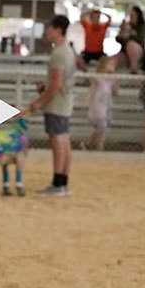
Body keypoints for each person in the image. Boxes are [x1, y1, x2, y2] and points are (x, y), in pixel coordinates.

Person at [26, 15, 75, 195]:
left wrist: (40, 101)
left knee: (58, 141)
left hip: (56, 104)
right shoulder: (67, 51)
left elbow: (56, 83)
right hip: (64, 102)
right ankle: (63, 181)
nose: (46, 31)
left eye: (49, 28)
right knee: (64, 140)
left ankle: (57, 183)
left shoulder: (59, 53)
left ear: (58, 30)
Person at [85, 53, 120, 151]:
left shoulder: (112, 78)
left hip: (106, 103)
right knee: (102, 125)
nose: (112, 67)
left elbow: (116, 91)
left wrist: (115, 81)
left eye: (113, 65)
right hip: (98, 103)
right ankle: (100, 147)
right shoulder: (98, 77)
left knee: (101, 128)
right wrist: (86, 101)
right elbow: (91, 90)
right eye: (110, 64)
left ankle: (88, 143)